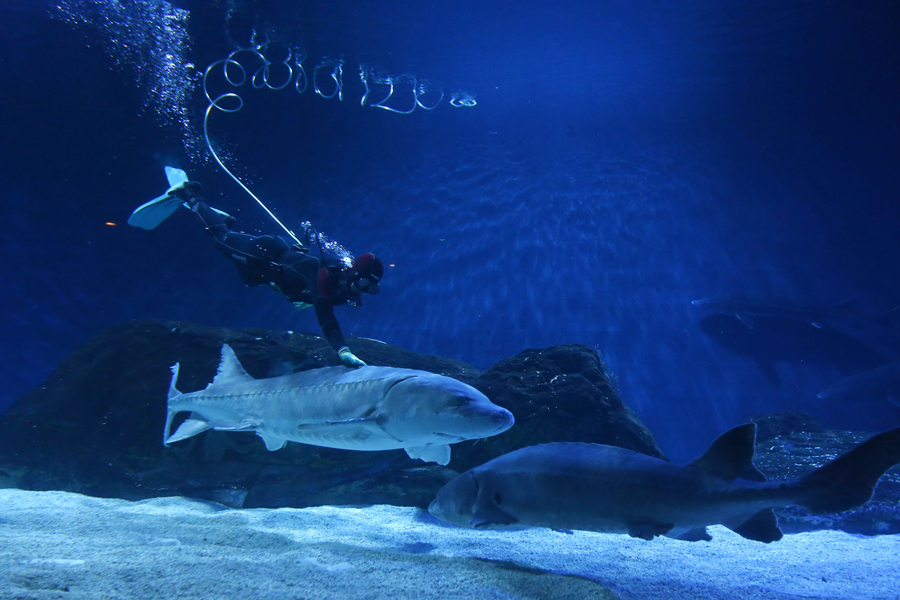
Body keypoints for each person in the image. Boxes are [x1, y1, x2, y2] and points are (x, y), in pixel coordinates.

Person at [128, 169, 383, 368]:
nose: (363, 291)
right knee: (218, 238)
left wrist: (303, 296)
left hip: (263, 275)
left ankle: (223, 219)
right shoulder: (321, 273)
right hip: (262, 254)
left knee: (240, 267)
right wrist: (343, 350)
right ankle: (190, 194)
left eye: (370, 289)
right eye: (363, 284)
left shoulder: (344, 290)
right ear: (354, 274)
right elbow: (324, 313)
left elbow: (319, 298)